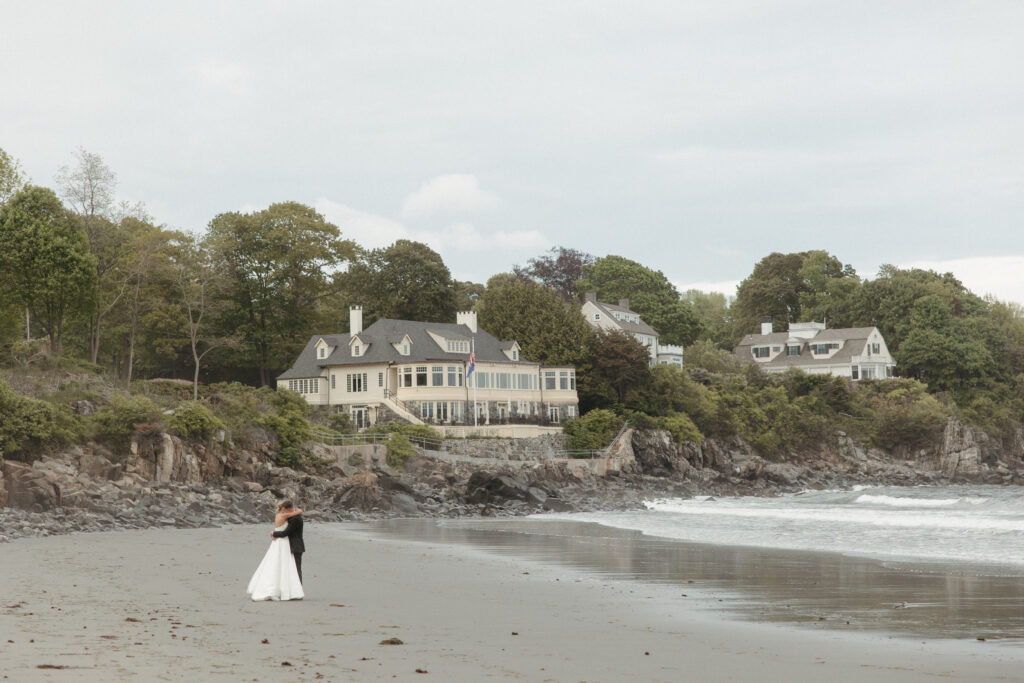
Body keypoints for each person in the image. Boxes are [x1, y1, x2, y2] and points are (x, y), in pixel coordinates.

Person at [246, 500, 304, 601]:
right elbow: (285, 532)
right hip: (288, 544)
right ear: (286, 509)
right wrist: (274, 533)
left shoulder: (285, 516)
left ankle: (294, 590)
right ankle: (294, 592)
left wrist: (273, 533)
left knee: (289, 567)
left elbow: (285, 530)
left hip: (287, 544)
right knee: (291, 568)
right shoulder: (289, 516)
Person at [272, 500, 306, 584]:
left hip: (296, 546)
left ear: (287, 509)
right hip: (292, 545)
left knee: (296, 569)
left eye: (284, 510)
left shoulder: (295, 519)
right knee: (293, 568)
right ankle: (295, 588)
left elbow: (285, 533)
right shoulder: (292, 516)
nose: (283, 512)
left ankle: (298, 589)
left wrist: (274, 533)